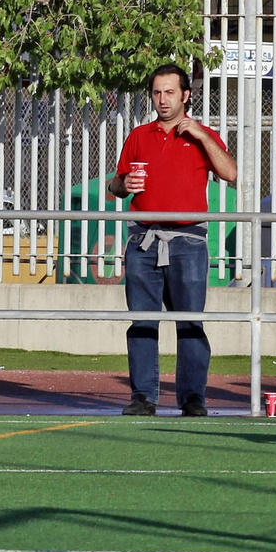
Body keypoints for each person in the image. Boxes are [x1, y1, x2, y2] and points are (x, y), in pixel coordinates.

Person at [106, 63, 238, 417]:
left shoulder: (202, 135)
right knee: (143, 321)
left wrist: (202, 136)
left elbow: (231, 173)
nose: (162, 100)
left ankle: (193, 397)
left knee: (190, 321)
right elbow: (115, 185)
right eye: (157, 92)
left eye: (169, 92)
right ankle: (143, 396)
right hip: (143, 240)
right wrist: (123, 185)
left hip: (188, 241)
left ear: (185, 95)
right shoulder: (139, 135)